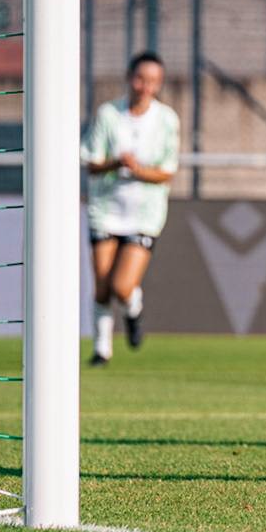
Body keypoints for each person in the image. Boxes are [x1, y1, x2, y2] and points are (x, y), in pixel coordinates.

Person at [80, 51, 181, 366]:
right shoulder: (109, 114)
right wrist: (115, 162)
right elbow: (90, 162)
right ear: (129, 78)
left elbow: (166, 171)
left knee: (122, 285)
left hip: (143, 215)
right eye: (140, 78)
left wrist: (137, 170)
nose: (145, 86)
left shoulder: (166, 120)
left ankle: (134, 309)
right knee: (101, 285)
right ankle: (101, 350)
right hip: (106, 209)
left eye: (153, 81)